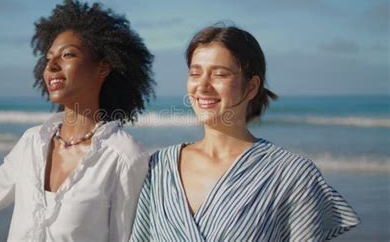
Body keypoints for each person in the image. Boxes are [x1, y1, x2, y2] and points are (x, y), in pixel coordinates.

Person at [0, 0, 155, 241]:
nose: (51, 65)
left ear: (103, 68)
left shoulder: (124, 157)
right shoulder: (32, 143)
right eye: (48, 57)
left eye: (68, 55)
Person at [130, 24, 360, 241]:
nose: (203, 86)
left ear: (251, 87)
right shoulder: (159, 167)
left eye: (219, 74)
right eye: (195, 73)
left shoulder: (292, 175)